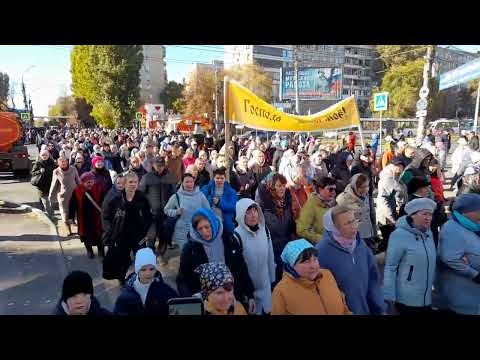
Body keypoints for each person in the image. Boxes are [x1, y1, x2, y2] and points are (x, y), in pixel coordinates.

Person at [176, 208, 255, 313]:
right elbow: (182, 280)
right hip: (206, 305)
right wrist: (191, 303)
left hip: (232, 299)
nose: (204, 232)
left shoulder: (229, 240)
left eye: (207, 227)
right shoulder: (190, 249)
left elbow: (241, 268)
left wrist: (250, 295)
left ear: (213, 223)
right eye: (200, 229)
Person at [316, 206, 386, 315]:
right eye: (347, 223)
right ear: (334, 228)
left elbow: (373, 279)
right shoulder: (322, 252)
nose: (354, 226)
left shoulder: (360, 244)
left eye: (354, 221)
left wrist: (379, 307)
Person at [383, 198, 437, 315]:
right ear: (412, 215)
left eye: (430, 214)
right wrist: (389, 297)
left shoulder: (429, 233)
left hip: (426, 298)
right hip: (406, 300)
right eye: (424, 214)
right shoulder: (399, 235)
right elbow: (390, 267)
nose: (429, 218)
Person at [101, 171, 155, 285]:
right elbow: (105, 216)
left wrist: (147, 230)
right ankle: (122, 278)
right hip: (121, 235)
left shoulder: (142, 198)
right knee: (123, 259)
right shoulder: (115, 199)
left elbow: (148, 216)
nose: (133, 184)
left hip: (138, 235)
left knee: (141, 257)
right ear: (124, 183)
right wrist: (110, 231)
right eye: (130, 182)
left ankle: (141, 278)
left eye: (135, 182)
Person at [271, 239, 351, 315]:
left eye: (315, 259)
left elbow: (343, 305)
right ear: (292, 265)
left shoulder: (327, 275)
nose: (313, 266)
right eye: (306, 262)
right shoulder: (281, 291)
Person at [436, 193, 480, 315]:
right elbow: (450, 258)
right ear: (465, 212)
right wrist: (475, 274)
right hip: (463, 289)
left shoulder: (473, 224)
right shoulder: (452, 228)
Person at [233, 198, 275, 314]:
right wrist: (244, 293)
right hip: (249, 292)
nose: (253, 215)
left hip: (266, 287)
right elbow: (237, 270)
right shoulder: (237, 236)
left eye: (255, 210)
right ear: (241, 214)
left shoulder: (264, 230)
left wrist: (272, 280)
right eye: (248, 212)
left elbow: (270, 257)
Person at [255, 173, 296, 284]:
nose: (282, 188)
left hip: (286, 243)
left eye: (283, 185)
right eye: (278, 185)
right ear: (272, 187)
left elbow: (290, 222)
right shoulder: (265, 205)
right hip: (272, 245)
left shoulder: (287, 202)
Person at [113, 248, 178, 315]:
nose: (148, 273)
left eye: (151, 269)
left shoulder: (164, 290)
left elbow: (179, 306)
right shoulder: (125, 297)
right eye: (143, 270)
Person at [164, 173, 211, 249]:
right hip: (181, 230)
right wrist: (175, 212)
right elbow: (166, 210)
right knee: (185, 253)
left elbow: (208, 210)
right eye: (187, 182)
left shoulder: (200, 195)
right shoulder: (176, 196)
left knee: (197, 252)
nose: (189, 184)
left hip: (197, 229)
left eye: (191, 181)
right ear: (182, 183)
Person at [138, 158, 177, 251]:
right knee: (151, 235)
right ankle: (150, 255)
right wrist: (143, 209)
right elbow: (141, 194)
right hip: (152, 213)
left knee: (163, 235)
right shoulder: (147, 177)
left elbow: (174, 193)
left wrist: (173, 207)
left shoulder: (169, 177)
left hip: (165, 212)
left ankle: (161, 255)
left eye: (162, 166)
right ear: (153, 165)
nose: (160, 168)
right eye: (157, 165)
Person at [336, 174, 378, 252]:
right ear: (355, 186)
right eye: (363, 187)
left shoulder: (366, 195)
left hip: (368, 234)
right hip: (355, 237)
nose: (366, 189)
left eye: (367, 186)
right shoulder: (343, 199)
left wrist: (374, 232)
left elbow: (371, 215)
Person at [69, 172, 105, 258]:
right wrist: (71, 217)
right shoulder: (77, 191)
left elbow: (105, 202)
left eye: (91, 181)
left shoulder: (99, 189)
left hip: (97, 218)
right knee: (86, 236)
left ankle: (101, 250)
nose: (90, 184)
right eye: (87, 182)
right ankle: (89, 251)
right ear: (82, 182)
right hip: (84, 219)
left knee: (99, 235)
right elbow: (72, 205)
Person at [376, 157, 407, 252]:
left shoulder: (395, 176)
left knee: (389, 239)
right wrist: (390, 217)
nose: (400, 168)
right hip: (386, 214)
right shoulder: (387, 179)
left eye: (401, 166)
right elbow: (383, 200)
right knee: (389, 239)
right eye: (397, 165)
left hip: (391, 211)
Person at [296, 176, 336, 245]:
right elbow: (302, 230)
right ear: (320, 190)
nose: (333, 192)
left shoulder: (334, 204)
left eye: (334, 189)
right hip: (320, 247)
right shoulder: (311, 205)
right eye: (330, 189)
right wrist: (323, 240)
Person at [201, 167, 237, 235]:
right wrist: (210, 199)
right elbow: (201, 204)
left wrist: (220, 203)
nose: (219, 180)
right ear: (214, 178)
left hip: (225, 223)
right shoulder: (206, 189)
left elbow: (233, 207)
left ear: (225, 179)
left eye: (222, 178)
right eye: (217, 178)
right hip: (210, 222)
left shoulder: (231, 191)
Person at [49, 156, 80, 236]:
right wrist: (51, 196)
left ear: (67, 161)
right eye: (61, 161)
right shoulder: (56, 171)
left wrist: (83, 190)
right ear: (58, 163)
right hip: (63, 196)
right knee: (65, 213)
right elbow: (54, 184)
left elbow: (78, 180)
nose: (63, 163)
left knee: (77, 212)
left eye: (64, 161)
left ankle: (80, 229)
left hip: (75, 194)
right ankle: (68, 230)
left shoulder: (73, 169)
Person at [31, 149, 56, 218]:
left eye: (46, 155)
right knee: (46, 202)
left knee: (51, 202)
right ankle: (51, 216)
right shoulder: (38, 163)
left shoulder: (52, 162)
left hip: (51, 185)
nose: (44, 156)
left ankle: (50, 214)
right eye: (43, 155)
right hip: (42, 186)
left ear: (48, 155)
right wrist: (39, 171)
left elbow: (56, 170)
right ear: (40, 155)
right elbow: (32, 173)